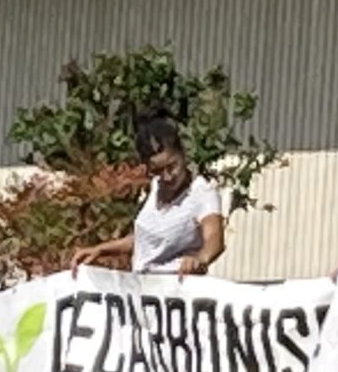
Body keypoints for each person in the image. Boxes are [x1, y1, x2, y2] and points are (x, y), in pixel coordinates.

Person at [71, 117, 226, 275]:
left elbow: (214, 240)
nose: (167, 177)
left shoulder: (201, 192)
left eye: (172, 166)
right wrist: (100, 249)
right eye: (158, 171)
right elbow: (145, 240)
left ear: (183, 154)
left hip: (176, 289)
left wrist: (200, 258)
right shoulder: (155, 188)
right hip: (143, 288)